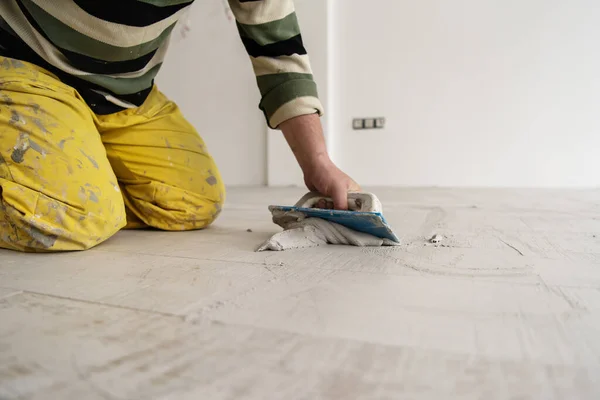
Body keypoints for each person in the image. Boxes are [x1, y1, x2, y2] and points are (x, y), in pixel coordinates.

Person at [0, 0, 359, 252]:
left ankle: (67, 161)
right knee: (77, 214)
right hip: (24, 61)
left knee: (192, 202)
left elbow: (277, 51)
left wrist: (319, 163)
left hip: (126, 94)